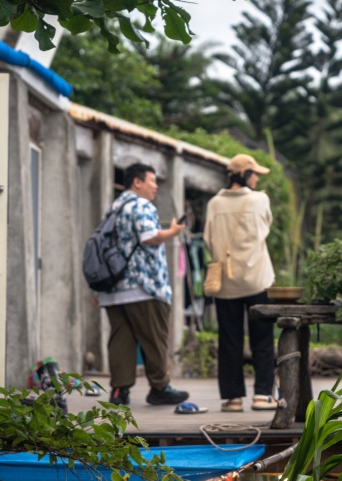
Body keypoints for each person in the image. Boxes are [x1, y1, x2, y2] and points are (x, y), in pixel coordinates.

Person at [97, 163, 189, 407]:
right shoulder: (141, 204)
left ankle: (119, 391)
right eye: (152, 181)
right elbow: (149, 237)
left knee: (121, 340)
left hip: (114, 288)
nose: (156, 186)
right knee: (154, 337)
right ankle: (160, 387)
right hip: (143, 285)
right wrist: (173, 231)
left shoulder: (114, 207)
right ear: (137, 182)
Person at [205, 153, 278, 413]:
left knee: (229, 340)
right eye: (255, 173)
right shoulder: (260, 200)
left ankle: (233, 398)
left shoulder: (214, 203)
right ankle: (262, 395)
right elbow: (265, 228)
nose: (257, 177)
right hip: (257, 279)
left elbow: (209, 239)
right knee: (263, 338)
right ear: (244, 175)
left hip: (225, 282)